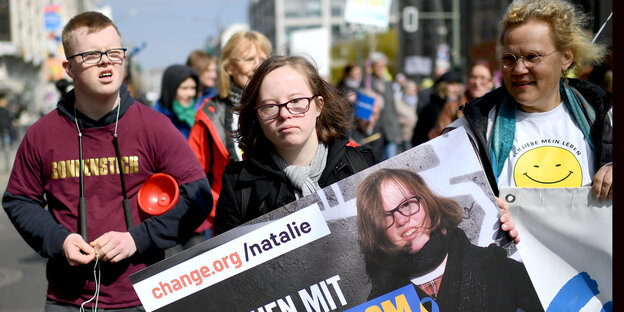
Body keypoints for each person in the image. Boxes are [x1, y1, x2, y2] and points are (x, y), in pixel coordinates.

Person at [1, 11, 212, 311]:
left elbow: (198, 195)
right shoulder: (41, 134)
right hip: (67, 301)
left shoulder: (154, 127)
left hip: (145, 297)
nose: (106, 61)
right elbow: (19, 200)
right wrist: (59, 240)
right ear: (69, 68)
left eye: (114, 52)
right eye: (91, 54)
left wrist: (137, 239)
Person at [447, 0, 612, 200]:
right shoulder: (473, 127)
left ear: (566, 57)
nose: (519, 69)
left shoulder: (604, 115)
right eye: (509, 59)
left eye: (532, 57)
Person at [213, 55, 377, 235]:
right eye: (270, 105)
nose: (284, 114)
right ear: (256, 116)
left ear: (318, 106)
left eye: (296, 101)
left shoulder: (361, 164)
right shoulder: (239, 186)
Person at [356, 168, 542, 311]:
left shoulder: (495, 264)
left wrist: (524, 232)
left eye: (407, 204)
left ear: (428, 203)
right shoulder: (379, 303)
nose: (401, 219)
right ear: (375, 231)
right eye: (385, 216)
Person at [188, 30, 272, 239]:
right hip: (233, 223)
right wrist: (218, 207)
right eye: (249, 59)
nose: (257, 65)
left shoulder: (282, 104)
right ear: (228, 67)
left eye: (263, 58)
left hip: (280, 213)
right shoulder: (209, 114)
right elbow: (192, 174)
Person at [429, 61, 494, 140]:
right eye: (473, 77)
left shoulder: (498, 108)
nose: (477, 83)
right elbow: (440, 139)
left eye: (482, 78)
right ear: (467, 80)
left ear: (491, 82)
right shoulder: (452, 107)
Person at [411, 70, 464, 146]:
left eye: (457, 85)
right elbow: (419, 135)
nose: (455, 89)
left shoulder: (462, 105)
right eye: (452, 84)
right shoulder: (431, 107)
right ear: (443, 86)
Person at [366, 52, 401, 160]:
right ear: (373, 67)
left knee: (392, 162)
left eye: (383, 66)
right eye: (379, 66)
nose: (381, 69)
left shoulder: (389, 84)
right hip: (375, 130)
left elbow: (393, 108)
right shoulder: (367, 83)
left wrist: (397, 129)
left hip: (390, 130)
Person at [153, 64, 200, 139]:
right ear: (171, 90)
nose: (190, 93)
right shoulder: (154, 120)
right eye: (184, 88)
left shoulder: (198, 116)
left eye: (193, 88)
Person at [394, 79, 418, 152]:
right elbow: (394, 118)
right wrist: (403, 121)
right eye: (413, 90)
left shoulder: (415, 102)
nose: (415, 92)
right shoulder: (398, 102)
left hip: (412, 136)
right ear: (406, 90)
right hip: (401, 137)